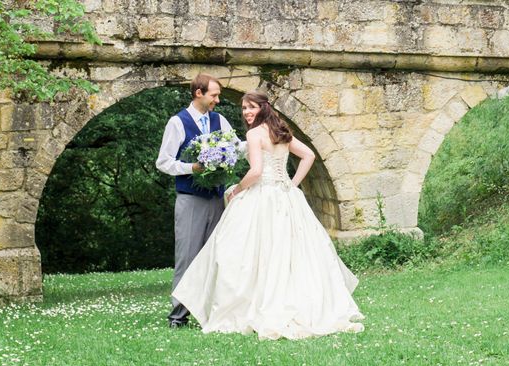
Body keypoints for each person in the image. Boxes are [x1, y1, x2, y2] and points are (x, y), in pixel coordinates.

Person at [172, 90, 364, 340]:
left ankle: (253, 304)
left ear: (263, 107)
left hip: (263, 196)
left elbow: (256, 172)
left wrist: (236, 190)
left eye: (251, 107)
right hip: (285, 197)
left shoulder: (254, 134)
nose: (247, 113)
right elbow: (308, 156)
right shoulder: (280, 131)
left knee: (247, 251)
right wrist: (292, 184)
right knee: (284, 251)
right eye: (244, 108)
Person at [156, 73, 239, 328]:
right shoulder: (177, 122)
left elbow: (235, 147)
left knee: (217, 255)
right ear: (199, 93)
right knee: (188, 256)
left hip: (217, 198)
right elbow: (164, 162)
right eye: (214, 95)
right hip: (190, 199)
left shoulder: (220, 120)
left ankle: (213, 313)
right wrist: (192, 167)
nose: (218, 100)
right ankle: (178, 315)